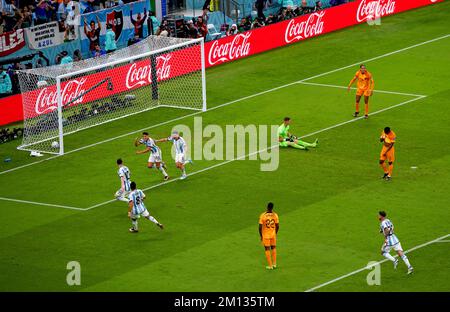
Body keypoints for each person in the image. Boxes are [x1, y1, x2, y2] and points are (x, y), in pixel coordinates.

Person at [259, 202, 279, 270]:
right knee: (273, 248)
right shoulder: (275, 215)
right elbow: (278, 226)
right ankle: (274, 264)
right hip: (273, 235)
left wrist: (261, 236)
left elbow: (260, 227)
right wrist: (275, 233)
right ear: (272, 208)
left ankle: (270, 266)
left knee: (267, 249)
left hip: (266, 235)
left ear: (267, 207)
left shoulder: (263, 215)